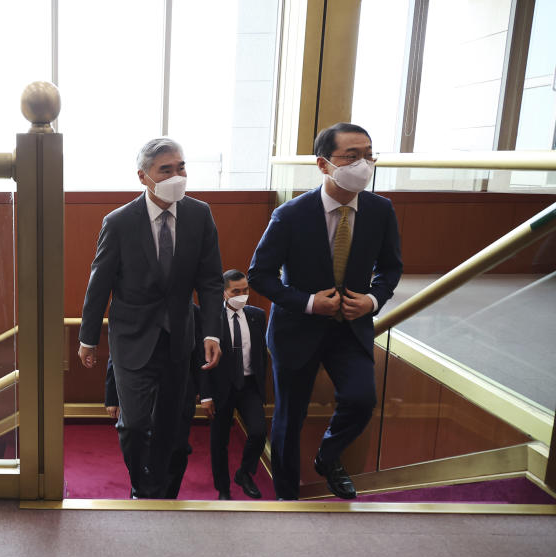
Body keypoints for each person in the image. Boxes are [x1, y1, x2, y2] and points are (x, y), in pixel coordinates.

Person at [248, 122, 402, 501]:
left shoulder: (381, 210)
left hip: (350, 327)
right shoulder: (290, 215)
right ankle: (286, 499)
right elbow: (259, 275)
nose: (363, 164)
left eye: (368, 154)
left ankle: (328, 456)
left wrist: (373, 300)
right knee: (289, 418)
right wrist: (308, 301)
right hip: (296, 329)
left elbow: (391, 268)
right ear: (323, 164)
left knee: (362, 399)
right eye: (352, 156)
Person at [78, 138, 223, 499]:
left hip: (180, 338)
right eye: (166, 170)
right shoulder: (119, 222)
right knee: (135, 425)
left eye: (181, 167)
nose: (177, 175)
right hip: (131, 338)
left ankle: (165, 493)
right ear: (144, 176)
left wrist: (212, 333)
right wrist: (87, 337)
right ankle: (142, 489)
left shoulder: (199, 214)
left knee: (174, 430)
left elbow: (209, 280)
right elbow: (100, 285)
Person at [103, 302, 204, 499]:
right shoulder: (135, 307)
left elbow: (198, 352)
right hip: (141, 390)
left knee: (178, 448)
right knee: (140, 439)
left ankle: (168, 498)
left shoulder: (193, 312)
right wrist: (112, 396)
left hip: (181, 391)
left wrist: (202, 390)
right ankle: (142, 490)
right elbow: (117, 353)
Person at [199, 270, 267, 500]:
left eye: (245, 290)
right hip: (221, 388)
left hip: (248, 386)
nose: (242, 295)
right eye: (235, 291)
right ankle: (223, 489)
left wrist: (261, 389)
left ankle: (244, 473)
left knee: (258, 432)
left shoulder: (258, 316)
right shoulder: (209, 319)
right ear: (224, 292)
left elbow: (260, 356)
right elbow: (202, 359)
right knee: (219, 442)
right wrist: (205, 396)